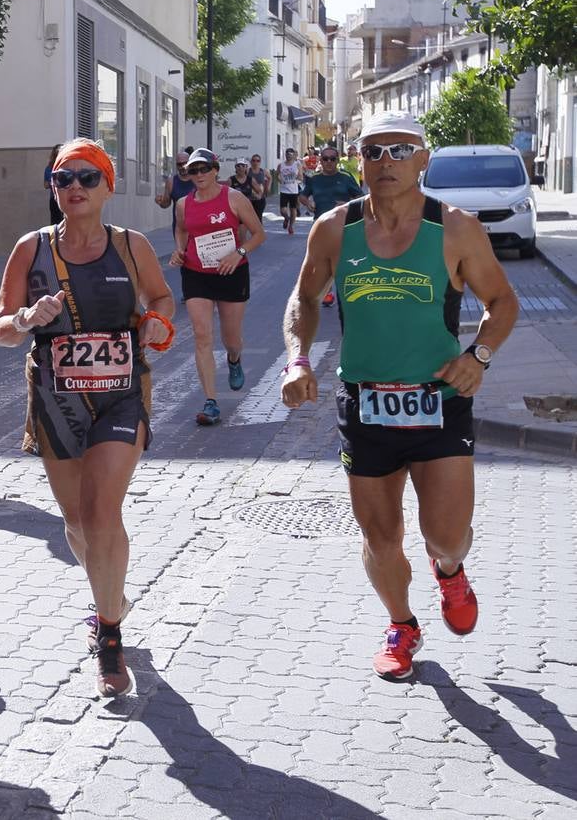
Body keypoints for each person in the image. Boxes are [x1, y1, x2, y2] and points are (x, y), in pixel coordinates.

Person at [280, 111, 518, 681]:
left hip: (439, 399)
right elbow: (305, 298)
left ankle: (451, 569)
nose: (385, 163)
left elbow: (502, 303)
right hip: (364, 402)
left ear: (423, 161)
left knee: (445, 534)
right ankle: (402, 625)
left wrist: (477, 357)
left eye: (399, 150)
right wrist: (297, 359)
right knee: (380, 536)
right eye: (373, 151)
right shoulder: (335, 228)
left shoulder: (456, 229)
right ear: (357, 160)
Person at [0, 138, 175, 697]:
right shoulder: (32, 248)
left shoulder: (131, 245)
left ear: (107, 186)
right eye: (62, 178)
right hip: (54, 398)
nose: (73, 187)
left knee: (99, 513)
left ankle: (110, 635)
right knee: (76, 521)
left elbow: (163, 300)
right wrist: (25, 317)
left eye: (86, 178)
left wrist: (155, 325)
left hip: (120, 394)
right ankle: (108, 593)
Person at [169, 148, 267, 426]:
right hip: (196, 273)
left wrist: (240, 253)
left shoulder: (234, 198)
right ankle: (210, 401)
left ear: (215, 171)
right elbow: (182, 230)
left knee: (231, 339)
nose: (198, 175)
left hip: (231, 272)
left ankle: (234, 360)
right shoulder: (183, 204)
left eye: (203, 169)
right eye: (192, 170)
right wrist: (178, 251)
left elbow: (259, 233)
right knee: (202, 336)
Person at [301, 147, 366, 307]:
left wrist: (347, 204)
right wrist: (308, 203)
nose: (329, 162)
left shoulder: (345, 177)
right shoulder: (314, 179)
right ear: (320, 161)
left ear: (337, 161)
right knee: (323, 260)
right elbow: (303, 195)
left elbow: (361, 197)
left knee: (343, 261)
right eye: (325, 159)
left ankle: (347, 291)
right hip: (321, 227)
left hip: (343, 226)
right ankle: (328, 292)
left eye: (332, 159)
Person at [155, 149, 196, 227]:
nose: (182, 167)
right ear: (176, 165)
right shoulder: (171, 182)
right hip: (179, 226)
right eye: (179, 164)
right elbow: (166, 204)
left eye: (185, 163)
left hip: (197, 224)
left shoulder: (197, 179)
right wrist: (160, 202)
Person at [277, 148, 303, 234]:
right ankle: (286, 218)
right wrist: (280, 179)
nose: (288, 156)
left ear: (293, 155)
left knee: (293, 209)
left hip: (293, 191)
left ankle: (291, 226)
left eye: (290, 155)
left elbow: (301, 177)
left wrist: (296, 179)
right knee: (282, 210)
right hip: (284, 190)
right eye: (287, 154)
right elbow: (277, 175)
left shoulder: (297, 165)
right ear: (285, 155)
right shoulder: (281, 165)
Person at [43, 144, 63, 224]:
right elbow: (45, 185)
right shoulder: (49, 168)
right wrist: (53, 181)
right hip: (55, 199)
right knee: (55, 223)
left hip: (67, 198)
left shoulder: (67, 166)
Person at [247, 153, 270, 222]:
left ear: (260, 162)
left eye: (257, 161)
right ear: (251, 162)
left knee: (259, 217)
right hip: (249, 198)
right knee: (250, 218)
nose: (255, 162)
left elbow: (270, 178)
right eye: (253, 160)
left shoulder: (263, 171)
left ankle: (259, 232)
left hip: (260, 198)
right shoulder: (248, 171)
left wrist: (268, 187)